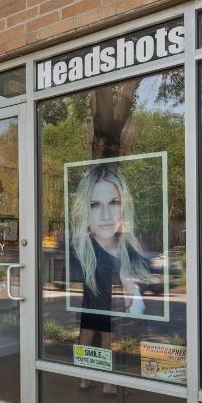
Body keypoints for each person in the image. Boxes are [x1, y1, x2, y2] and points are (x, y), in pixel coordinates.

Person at [68, 162, 154, 389]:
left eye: (114, 203)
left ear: (123, 206)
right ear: (85, 210)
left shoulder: (130, 249)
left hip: (111, 301)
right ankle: (96, 381)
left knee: (99, 331)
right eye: (95, 204)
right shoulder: (81, 251)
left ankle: (96, 380)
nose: (106, 215)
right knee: (95, 331)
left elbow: (146, 278)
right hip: (98, 298)